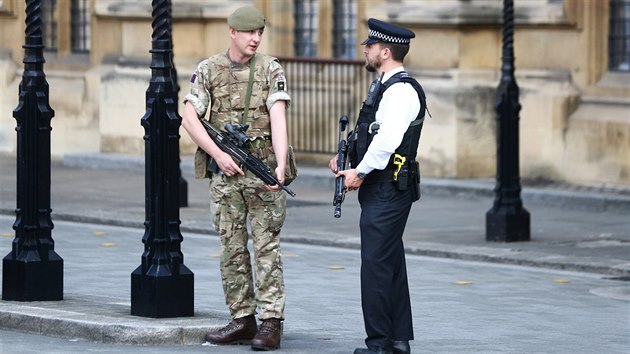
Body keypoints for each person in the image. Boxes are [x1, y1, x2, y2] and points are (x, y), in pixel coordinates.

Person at [181, 5, 290, 351]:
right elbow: (189, 117)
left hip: (262, 170)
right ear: (232, 32)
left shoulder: (270, 69)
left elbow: (278, 114)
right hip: (226, 175)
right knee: (231, 248)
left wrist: (281, 165)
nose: (256, 38)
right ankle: (242, 319)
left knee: (266, 247)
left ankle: (271, 321)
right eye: (249, 33)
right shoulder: (209, 69)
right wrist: (218, 154)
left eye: (260, 32)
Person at [329, 18, 427, 354]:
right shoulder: (385, 85)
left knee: (375, 268)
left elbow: (386, 142)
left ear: (385, 52)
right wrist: (347, 161)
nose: (366, 50)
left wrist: (359, 172)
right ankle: (397, 341)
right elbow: (371, 132)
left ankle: (380, 345)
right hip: (383, 188)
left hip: (388, 188)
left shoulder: (400, 90)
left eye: (370, 46)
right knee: (390, 264)